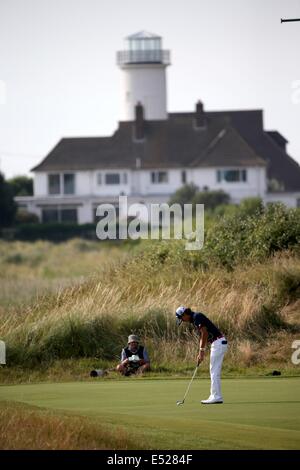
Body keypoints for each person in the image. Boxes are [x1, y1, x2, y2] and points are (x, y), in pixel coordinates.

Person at [175, 306, 228, 404]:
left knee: (214, 371)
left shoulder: (196, 316)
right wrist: (200, 352)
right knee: (213, 370)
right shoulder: (195, 319)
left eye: (181, 318)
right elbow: (202, 337)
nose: (183, 321)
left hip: (218, 343)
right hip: (217, 343)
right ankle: (216, 395)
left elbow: (204, 333)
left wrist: (201, 351)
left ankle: (216, 396)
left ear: (185, 314)